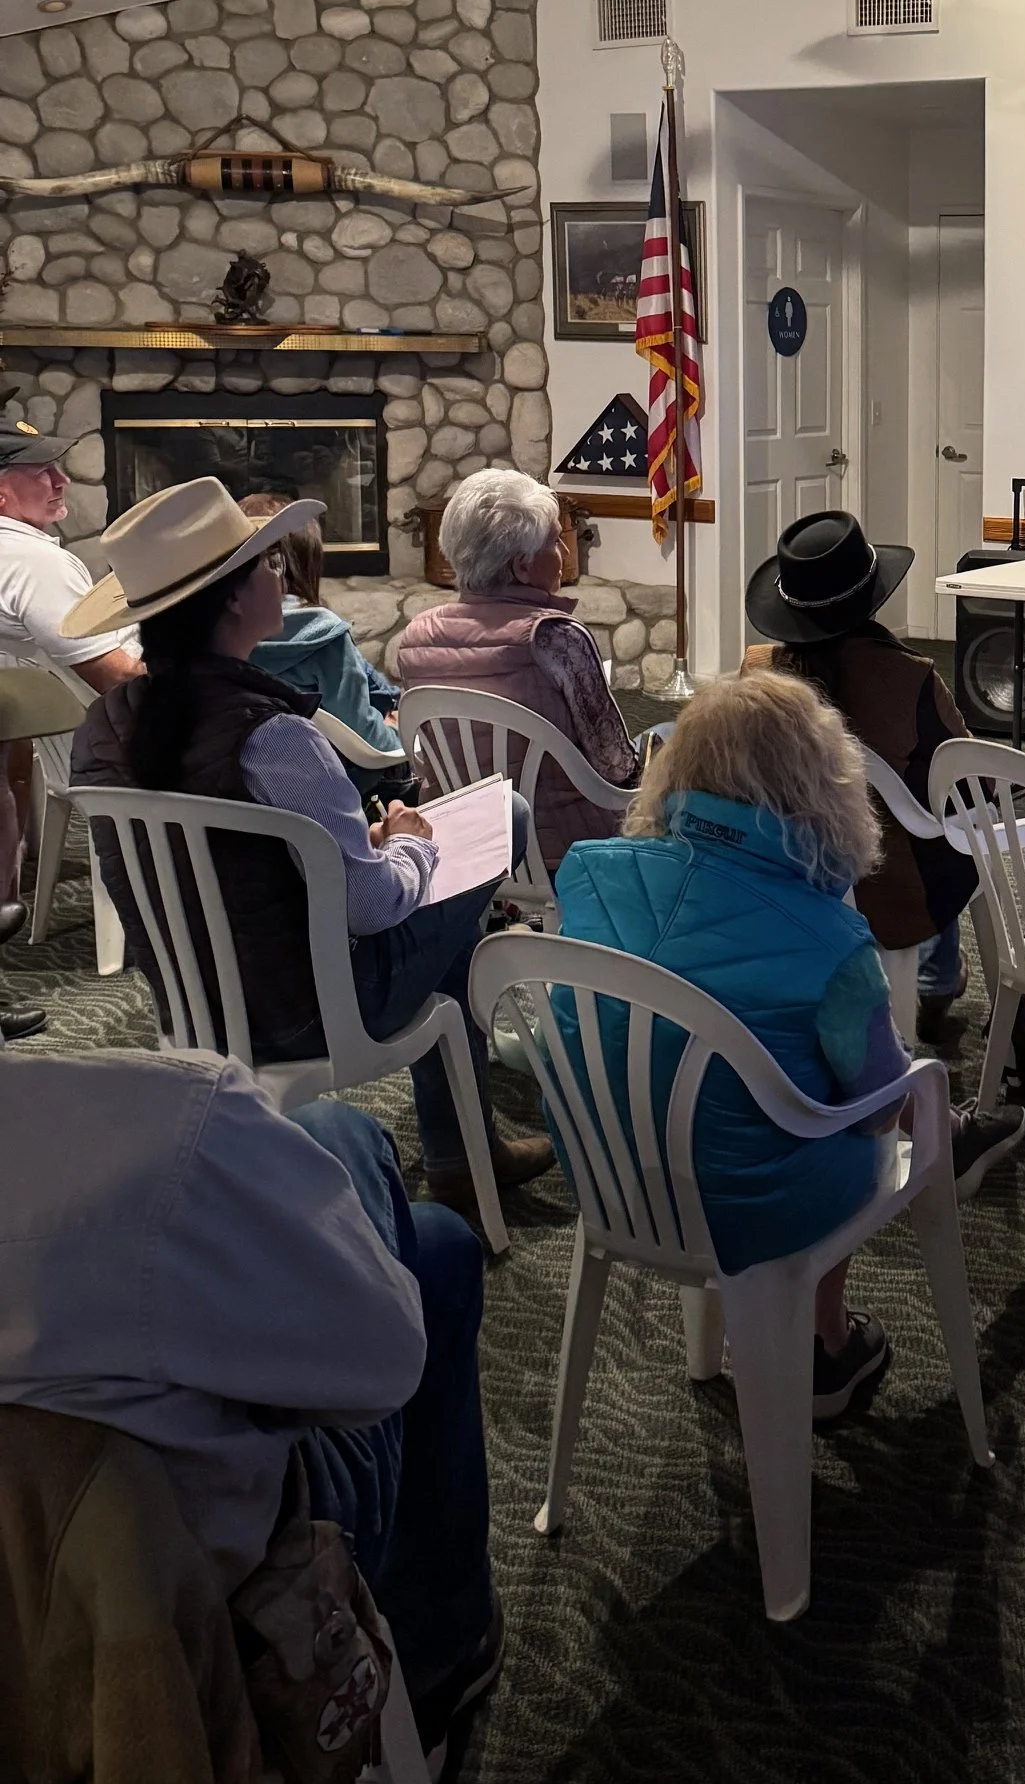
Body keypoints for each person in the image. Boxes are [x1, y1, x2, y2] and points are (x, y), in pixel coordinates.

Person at [64, 477, 552, 1223]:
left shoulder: (101, 728)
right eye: (266, 564)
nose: (280, 575)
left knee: (442, 911)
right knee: (501, 820)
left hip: (193, 999)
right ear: (230, 597)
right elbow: (372, 905)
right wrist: (410, 846)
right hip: (314, 1007)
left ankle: (463, 1149)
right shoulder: (276, 737)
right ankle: (460, 1152)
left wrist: (366, 846)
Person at [0, 1045, 503, 1759]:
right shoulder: (168, 1117)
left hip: (31, 1655)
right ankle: (429, 1667)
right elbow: (384, 1369)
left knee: (430, 1242)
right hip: (214, 1622)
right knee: (364, 1161)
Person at [550, 670, 1022, 1423]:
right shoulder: (830, 939)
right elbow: (874, 1113)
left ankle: (747, 1344)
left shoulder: (590, 878)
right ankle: (824, 1345)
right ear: (823, 784)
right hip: (758, 1207)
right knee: (851, 1113)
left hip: (613, 1180)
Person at [747, 507, 1025, 1095]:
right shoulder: (909, 677)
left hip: (780, 874)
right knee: (979, 834)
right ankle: (1018, 1021)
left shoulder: (757, 670)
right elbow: (969, 778)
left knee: (929, 821)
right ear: (871, 598)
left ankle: (941, 980)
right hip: (890, 886)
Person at [395, 468, 639, 871]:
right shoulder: (555, 637)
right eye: (555, 541)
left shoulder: (416, 637)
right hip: (564, 853)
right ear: (523, 566)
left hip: (461, 849)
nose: (563, 553)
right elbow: (615, 767)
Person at [0, 421, 141, 1035]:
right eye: (41, 473)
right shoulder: (33, 560)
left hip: (44, 746)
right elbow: (121, 679)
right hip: (102, 748)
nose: (62, 481)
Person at [240, 490, 399, 750]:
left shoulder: (221, 632)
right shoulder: (322, 633)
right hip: (336, 768)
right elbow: (361, 733)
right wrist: (402, 739)